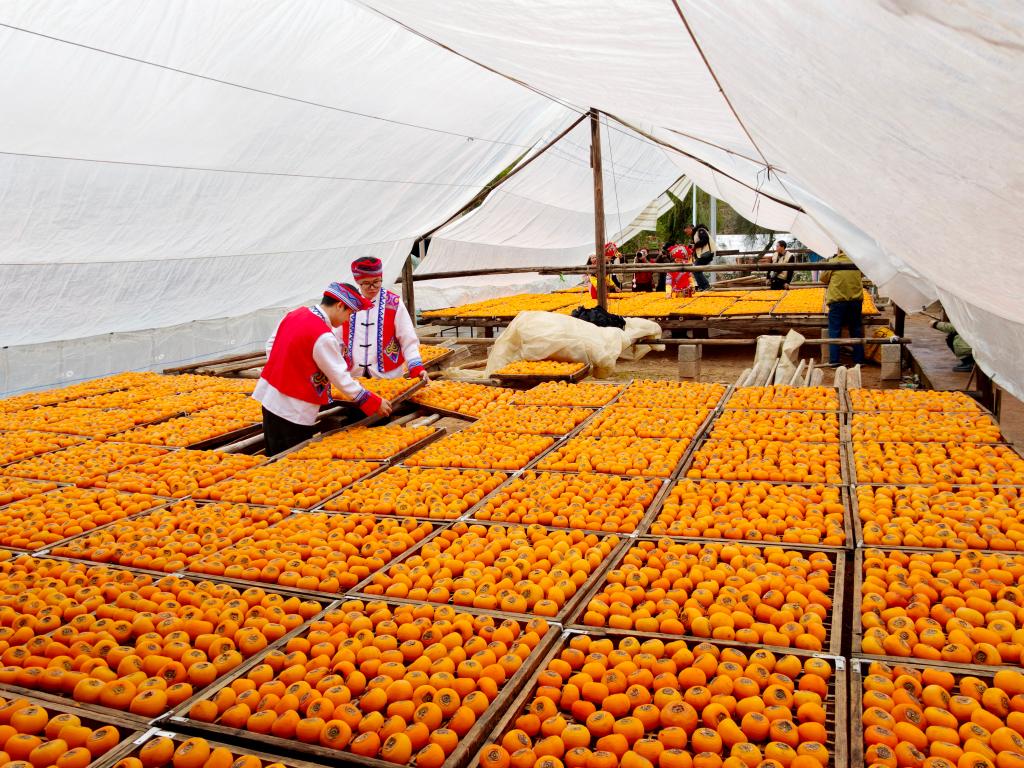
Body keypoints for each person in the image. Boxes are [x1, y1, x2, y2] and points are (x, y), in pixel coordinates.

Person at [256, 282, 392, 456]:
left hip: (270, 400)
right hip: (294, 411)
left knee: (274, 458)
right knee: (291, 461)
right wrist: (373, 401)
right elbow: (340, 377)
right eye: (350, 313)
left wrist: (287, 369)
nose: (347, 320)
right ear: (340, 305)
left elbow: (271, 345)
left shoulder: (295, 314)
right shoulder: (322, 335)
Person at [344, 257, 428, 381]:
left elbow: (407, 339)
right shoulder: (347, 303)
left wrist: (416, 367)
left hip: (388, 376)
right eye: (366, 283)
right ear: (357, 281)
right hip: (353, 376)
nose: (372, 287)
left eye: (377, 281)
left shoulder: (393, 303)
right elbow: (337, 340)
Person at [822, 249, 865, 366]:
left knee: (834, 331)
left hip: (837, 301)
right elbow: (862, 275)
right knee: (856, 330)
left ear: (839, 250)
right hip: (855, 301)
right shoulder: (857, 262)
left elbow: (823, 278)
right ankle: (859, 360)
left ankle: (834, 361)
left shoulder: (833, 262)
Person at [683, 223, 715, 291]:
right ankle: (702, 287)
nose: (686, 234)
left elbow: (705, 240)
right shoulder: (695, 234)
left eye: (686, 232)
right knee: (696, 270)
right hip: (702, 254)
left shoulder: (700, 231)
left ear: (689, 228)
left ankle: (706, 286)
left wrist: (695, 245)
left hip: (706, 253)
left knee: (695, 269)